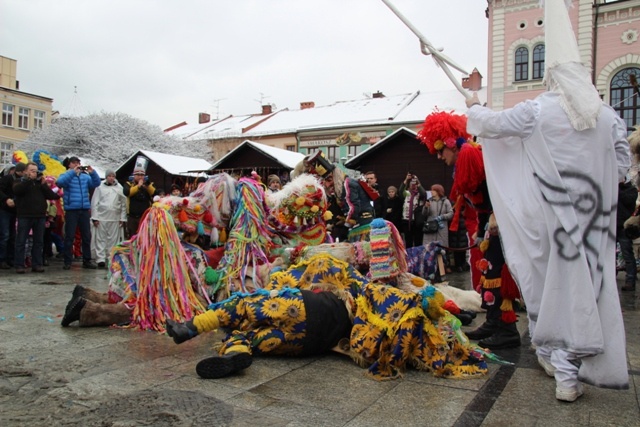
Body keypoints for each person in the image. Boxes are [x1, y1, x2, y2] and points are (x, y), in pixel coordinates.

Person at [463, 0, 630, 402]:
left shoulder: (539, 109)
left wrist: (474, 105)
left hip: (550, 219)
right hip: (595, 223)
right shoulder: (608, 116)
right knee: (587, 288)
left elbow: (495, 125)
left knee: (550, 285)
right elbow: (622, 165)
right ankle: (569, 365)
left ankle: (564, 371)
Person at [418, 111, 521, 351]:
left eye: (440, 151)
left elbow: (495, 188)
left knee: (498, 274)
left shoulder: (469, 154)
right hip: (489, 223)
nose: (440, 157)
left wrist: (493, 217)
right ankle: (494, 322)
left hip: (498, 224)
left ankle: (507, 330)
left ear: (451, 144)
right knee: (489, 273)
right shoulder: (467, 154)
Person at [12, 162, 60, 273]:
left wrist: (44, 184)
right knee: (21, 241)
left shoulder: (39, 184)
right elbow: (17, 191)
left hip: (40, 216)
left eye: (35, 171)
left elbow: (52, 196)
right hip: (25, 215)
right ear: (25, 171)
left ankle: (37, 264)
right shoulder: (19, 181)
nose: (34, 173)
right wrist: (28, 180)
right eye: (32, 171)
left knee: (38, 242)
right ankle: (19, 264)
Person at [57, 157, 101, 270]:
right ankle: (67, 261)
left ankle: (87, 260)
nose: (77, 165)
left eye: (78, 163)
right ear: (69, 165)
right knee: (69, 236)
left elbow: (96, 183)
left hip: (84, 209)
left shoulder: (85, 177)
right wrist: (72, 172)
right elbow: (60, 183)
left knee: (86, 236)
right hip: (71, 210)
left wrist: (93, 172)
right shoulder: (66, 175)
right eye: (74, 163)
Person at [91, 169, 127, 268]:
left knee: (113, 239)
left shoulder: (119, 187)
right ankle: (100, 258)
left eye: (113, 176)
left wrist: (122, 218)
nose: (111, 178)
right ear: (106, 177)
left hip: (114, 218)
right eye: (109, 176)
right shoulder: (99, 187)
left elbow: (123, 203)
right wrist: (95, 217)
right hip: (102, 217)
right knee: (100, 238)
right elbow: (95, 202)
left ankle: (111, 256)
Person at [617, 177, 638, 292]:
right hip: (612, 225)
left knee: (627, 255)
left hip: (624, 227)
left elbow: (627, 200)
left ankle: (630, 281)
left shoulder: (631, 190)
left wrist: (617, 188)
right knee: (609, 254)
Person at [0, 163, 22, 269]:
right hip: (5, 209)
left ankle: (11, 258)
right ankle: (2, 259)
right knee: (5, 235)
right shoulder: (7, 179)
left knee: (12, 235)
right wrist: (6, 199)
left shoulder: (23, 181)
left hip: (15, 211)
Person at [123, 169, 156, 238]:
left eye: (142, 175)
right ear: (134, 175)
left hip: (145, 216)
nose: (140, 177)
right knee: (132, 236)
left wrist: (147, 186)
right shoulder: (129, 184)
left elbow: (154, 194)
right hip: (132, 216)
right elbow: (127, 193)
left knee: (145, 237)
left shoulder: (148, 184)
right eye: (138, 175)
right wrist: (138, 186)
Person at [398, 172, 426, 248]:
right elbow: (400, 191)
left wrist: (418, 182)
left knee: (418, 241)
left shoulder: (419, 194)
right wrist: (406, 179)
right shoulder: (406, 193)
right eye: (411, 183)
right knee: (408, 241)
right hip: (406, 221)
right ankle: (409, 258)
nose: (413, 185)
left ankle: (418, 258)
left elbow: (424, 194)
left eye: (414, 183)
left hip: (417, 221)